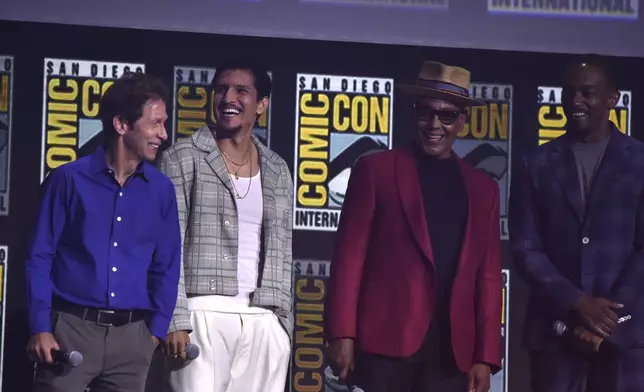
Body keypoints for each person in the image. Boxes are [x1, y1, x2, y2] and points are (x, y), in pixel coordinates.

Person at [324, 60, 503, 392]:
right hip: (384, 346)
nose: (434, 124)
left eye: (447, 115)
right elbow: (349, 258)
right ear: (413, 114)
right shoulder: (375, 170)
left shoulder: (483, 189)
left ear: (462, 121)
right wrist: (342, 333)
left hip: (453, 354)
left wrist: (486, 355)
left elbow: (489, 277)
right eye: (426, 113)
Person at [25, 72, 182, 392]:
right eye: (155, 123)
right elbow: (39, 256)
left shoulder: (162, 190)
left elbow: (167, 265)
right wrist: (41, 327)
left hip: (133, 339)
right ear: (121, 124)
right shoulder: (68, 180)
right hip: (70, 331)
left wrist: (153, 332)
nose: (163, 134)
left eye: (163, 124)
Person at [509, 54, 644, 392]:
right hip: (555, 335)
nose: (575, 101)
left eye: (587, 92)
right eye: (569, 93)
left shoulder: (640, 161)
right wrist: (577, 302)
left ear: (612, 98)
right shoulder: (535, 163)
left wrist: (606, 322)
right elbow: (526, 247)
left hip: (624, 339)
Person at [158, 59, 293, 392]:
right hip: (202, 314)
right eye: (221, 89)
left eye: (241, 90)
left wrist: (283, 325)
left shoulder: (277, 168)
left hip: (264, 319)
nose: (228, 98)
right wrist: (175, 319)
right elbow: (166, 246)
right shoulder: (181, 157)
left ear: (262, 104)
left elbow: (284, 251)